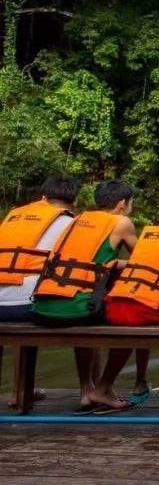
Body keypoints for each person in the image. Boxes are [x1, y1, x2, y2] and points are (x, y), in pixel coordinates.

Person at [31, 179, 138, 411]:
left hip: (44, 305)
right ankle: (103, 388)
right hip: (76, 308)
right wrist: (120, 264)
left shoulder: (78, 219)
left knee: (85, 305)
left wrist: (111, 263)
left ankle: (86, 389)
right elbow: (143, 262)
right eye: (131, 202)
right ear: (123, 204)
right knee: (131, 325)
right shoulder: (121, 222)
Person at [92, 214, 159, 406]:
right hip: (141, 312)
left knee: (141, 317)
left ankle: (138, 383)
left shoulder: (143, 246)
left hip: (113, 308)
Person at [0, 175, 78, 408]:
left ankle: (18, 392)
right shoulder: (71, 223)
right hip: (27, 306)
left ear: (43, 198)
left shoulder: (13, 217)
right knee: (85, 310)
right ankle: (90, 389)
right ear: (74, 202)